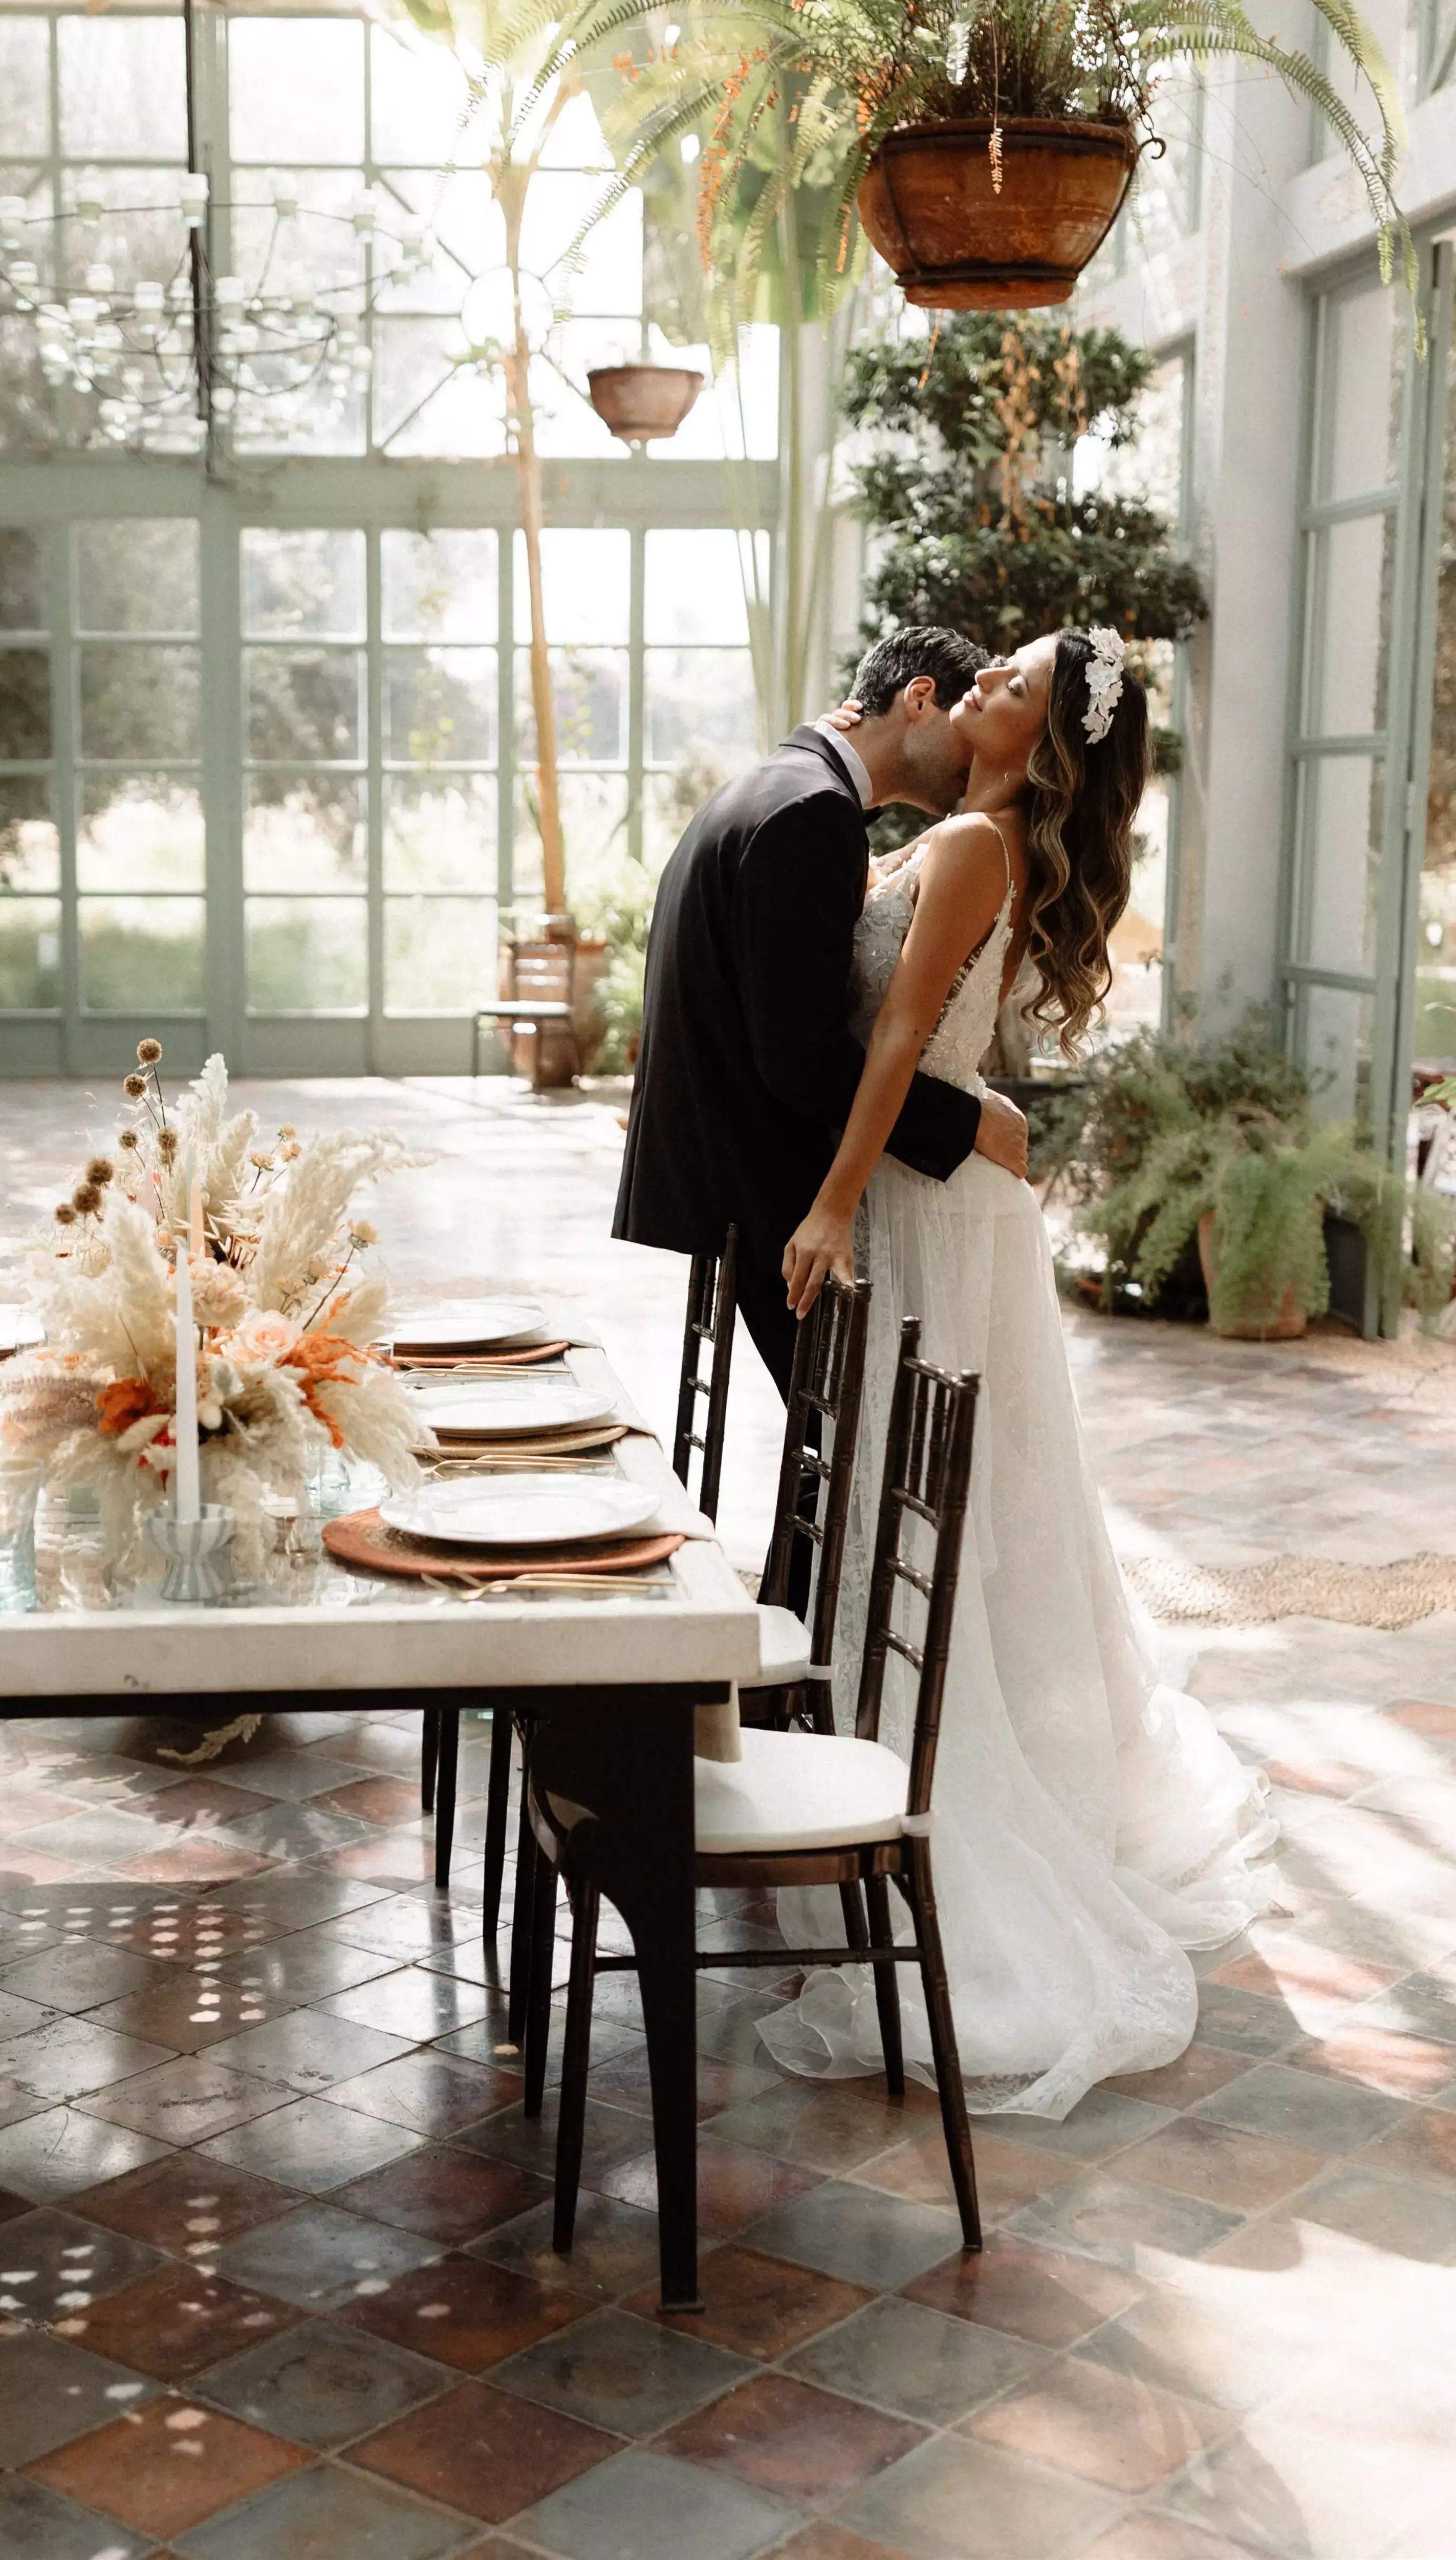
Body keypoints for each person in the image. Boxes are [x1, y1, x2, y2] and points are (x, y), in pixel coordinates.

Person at [766, 625, 1276, 2115]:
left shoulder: (979, 847)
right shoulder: (952, 839)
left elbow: (906, 1036)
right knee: (936, 1513)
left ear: (1041, 739)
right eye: (994, 669)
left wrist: (835, 1199)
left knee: (934, 1515)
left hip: (926, 1216)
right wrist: (967, 1112)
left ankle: (939, 1822)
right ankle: (880, 1804)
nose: (982, 680)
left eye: (1017, 685)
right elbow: (936, 1044)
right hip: (947, 1195)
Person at [614, 626, 1031, 1410]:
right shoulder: (812, 815)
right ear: (919, 701)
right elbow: (801, 1058)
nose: (972, 762)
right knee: (850, 1448)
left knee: (847, 1451)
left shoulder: (782, 788)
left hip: (727, 1171)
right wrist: (965, 1120)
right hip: (766, 1186)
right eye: (964, 732)